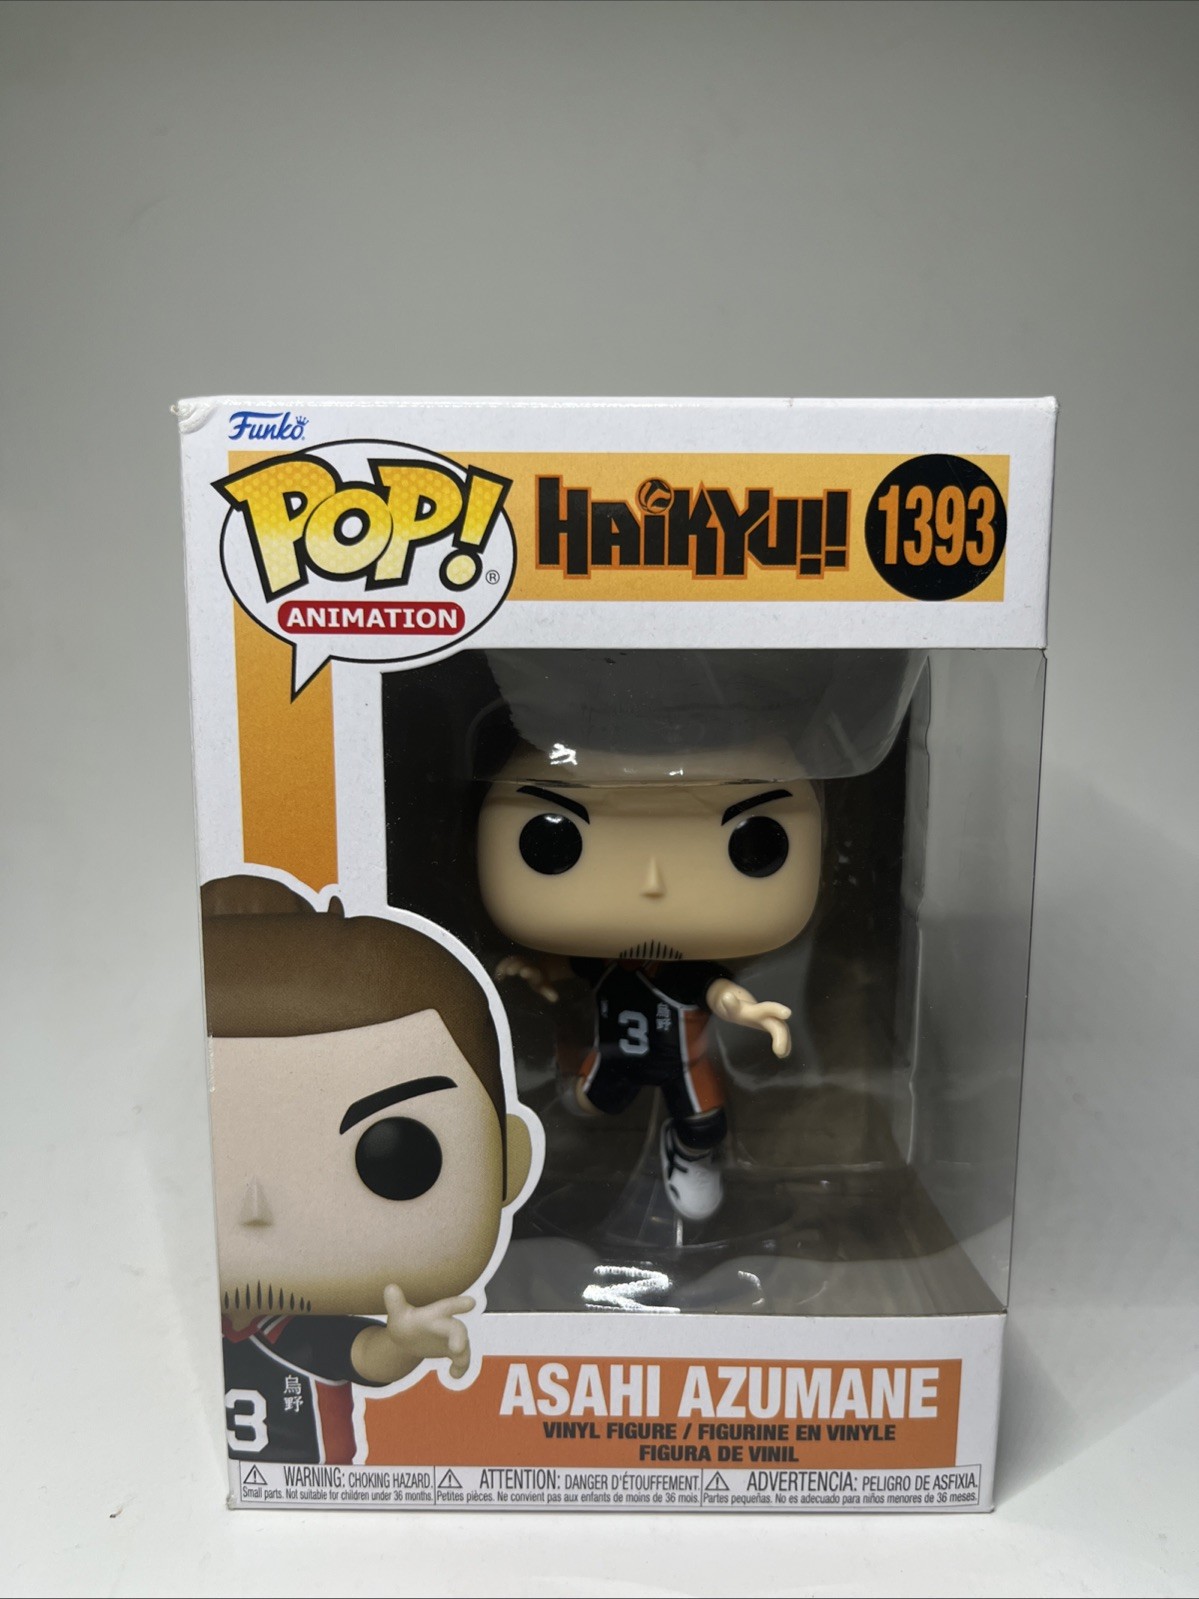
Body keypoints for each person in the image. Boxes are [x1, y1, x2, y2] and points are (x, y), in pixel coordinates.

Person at [201, 876, 535, 1464]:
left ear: (510, 1162)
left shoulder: (295, 1331)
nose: (255, 1209)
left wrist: (404, 1341)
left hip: (322, 1496)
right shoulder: (177, 1324)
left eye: (399, 1156)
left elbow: (365, 1357)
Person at [477, 741, 821, 1222]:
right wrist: (533, 972)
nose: (653, 885)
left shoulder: (684, 972)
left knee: (706, 1125)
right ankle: (560, 1073)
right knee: (584, 1104)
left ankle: (688, 1154)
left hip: (684, 1064)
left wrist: (748, 1011)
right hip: (615, 1057)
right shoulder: (605, 963)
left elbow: (718, 994)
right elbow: (564, 967)